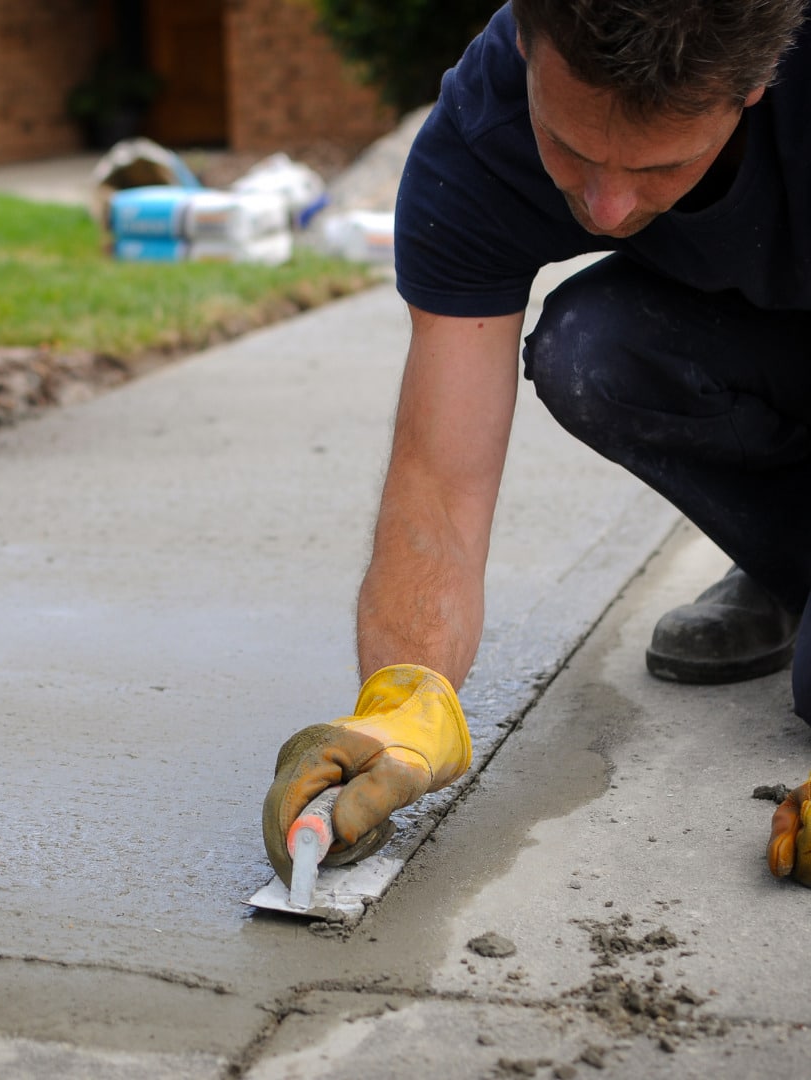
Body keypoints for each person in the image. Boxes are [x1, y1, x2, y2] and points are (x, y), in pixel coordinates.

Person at [263, 0, 811, 886]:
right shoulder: (480, 140)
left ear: (757, 82)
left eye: (662, 164)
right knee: (590, 350)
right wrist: (405, 700)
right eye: (571, 149)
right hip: (762, 344)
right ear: (526, 37)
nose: (607, 206)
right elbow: (439, 481)